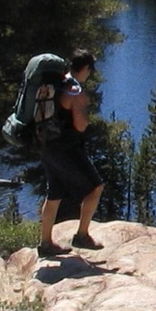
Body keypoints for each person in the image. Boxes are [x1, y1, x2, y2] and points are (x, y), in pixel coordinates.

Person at [37, 49, 105, 258]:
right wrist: (84, 109)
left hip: (46, 145)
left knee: (54, 193)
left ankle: (45, 243)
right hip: (66, 148)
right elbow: (81, 125)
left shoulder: (56, 83)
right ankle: (82, 235)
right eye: (90, 70)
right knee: (95, 187)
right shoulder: (75, 91)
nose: (90, 74)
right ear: (85, 68)